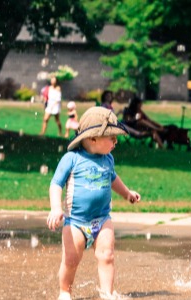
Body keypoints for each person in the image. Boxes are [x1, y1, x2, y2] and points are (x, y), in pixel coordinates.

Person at [47, 107, 140, 300]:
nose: (115, 141)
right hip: (75, 222)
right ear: (92, 138)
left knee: (107, 256)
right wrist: (56, 209)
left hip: (102, 218)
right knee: (71, 260)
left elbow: (112, 178)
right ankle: (65, 292)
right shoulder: (72, 159)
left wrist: (127, 193)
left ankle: (107, 293)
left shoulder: (108, 159)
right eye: (111, 137)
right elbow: (56, 184)